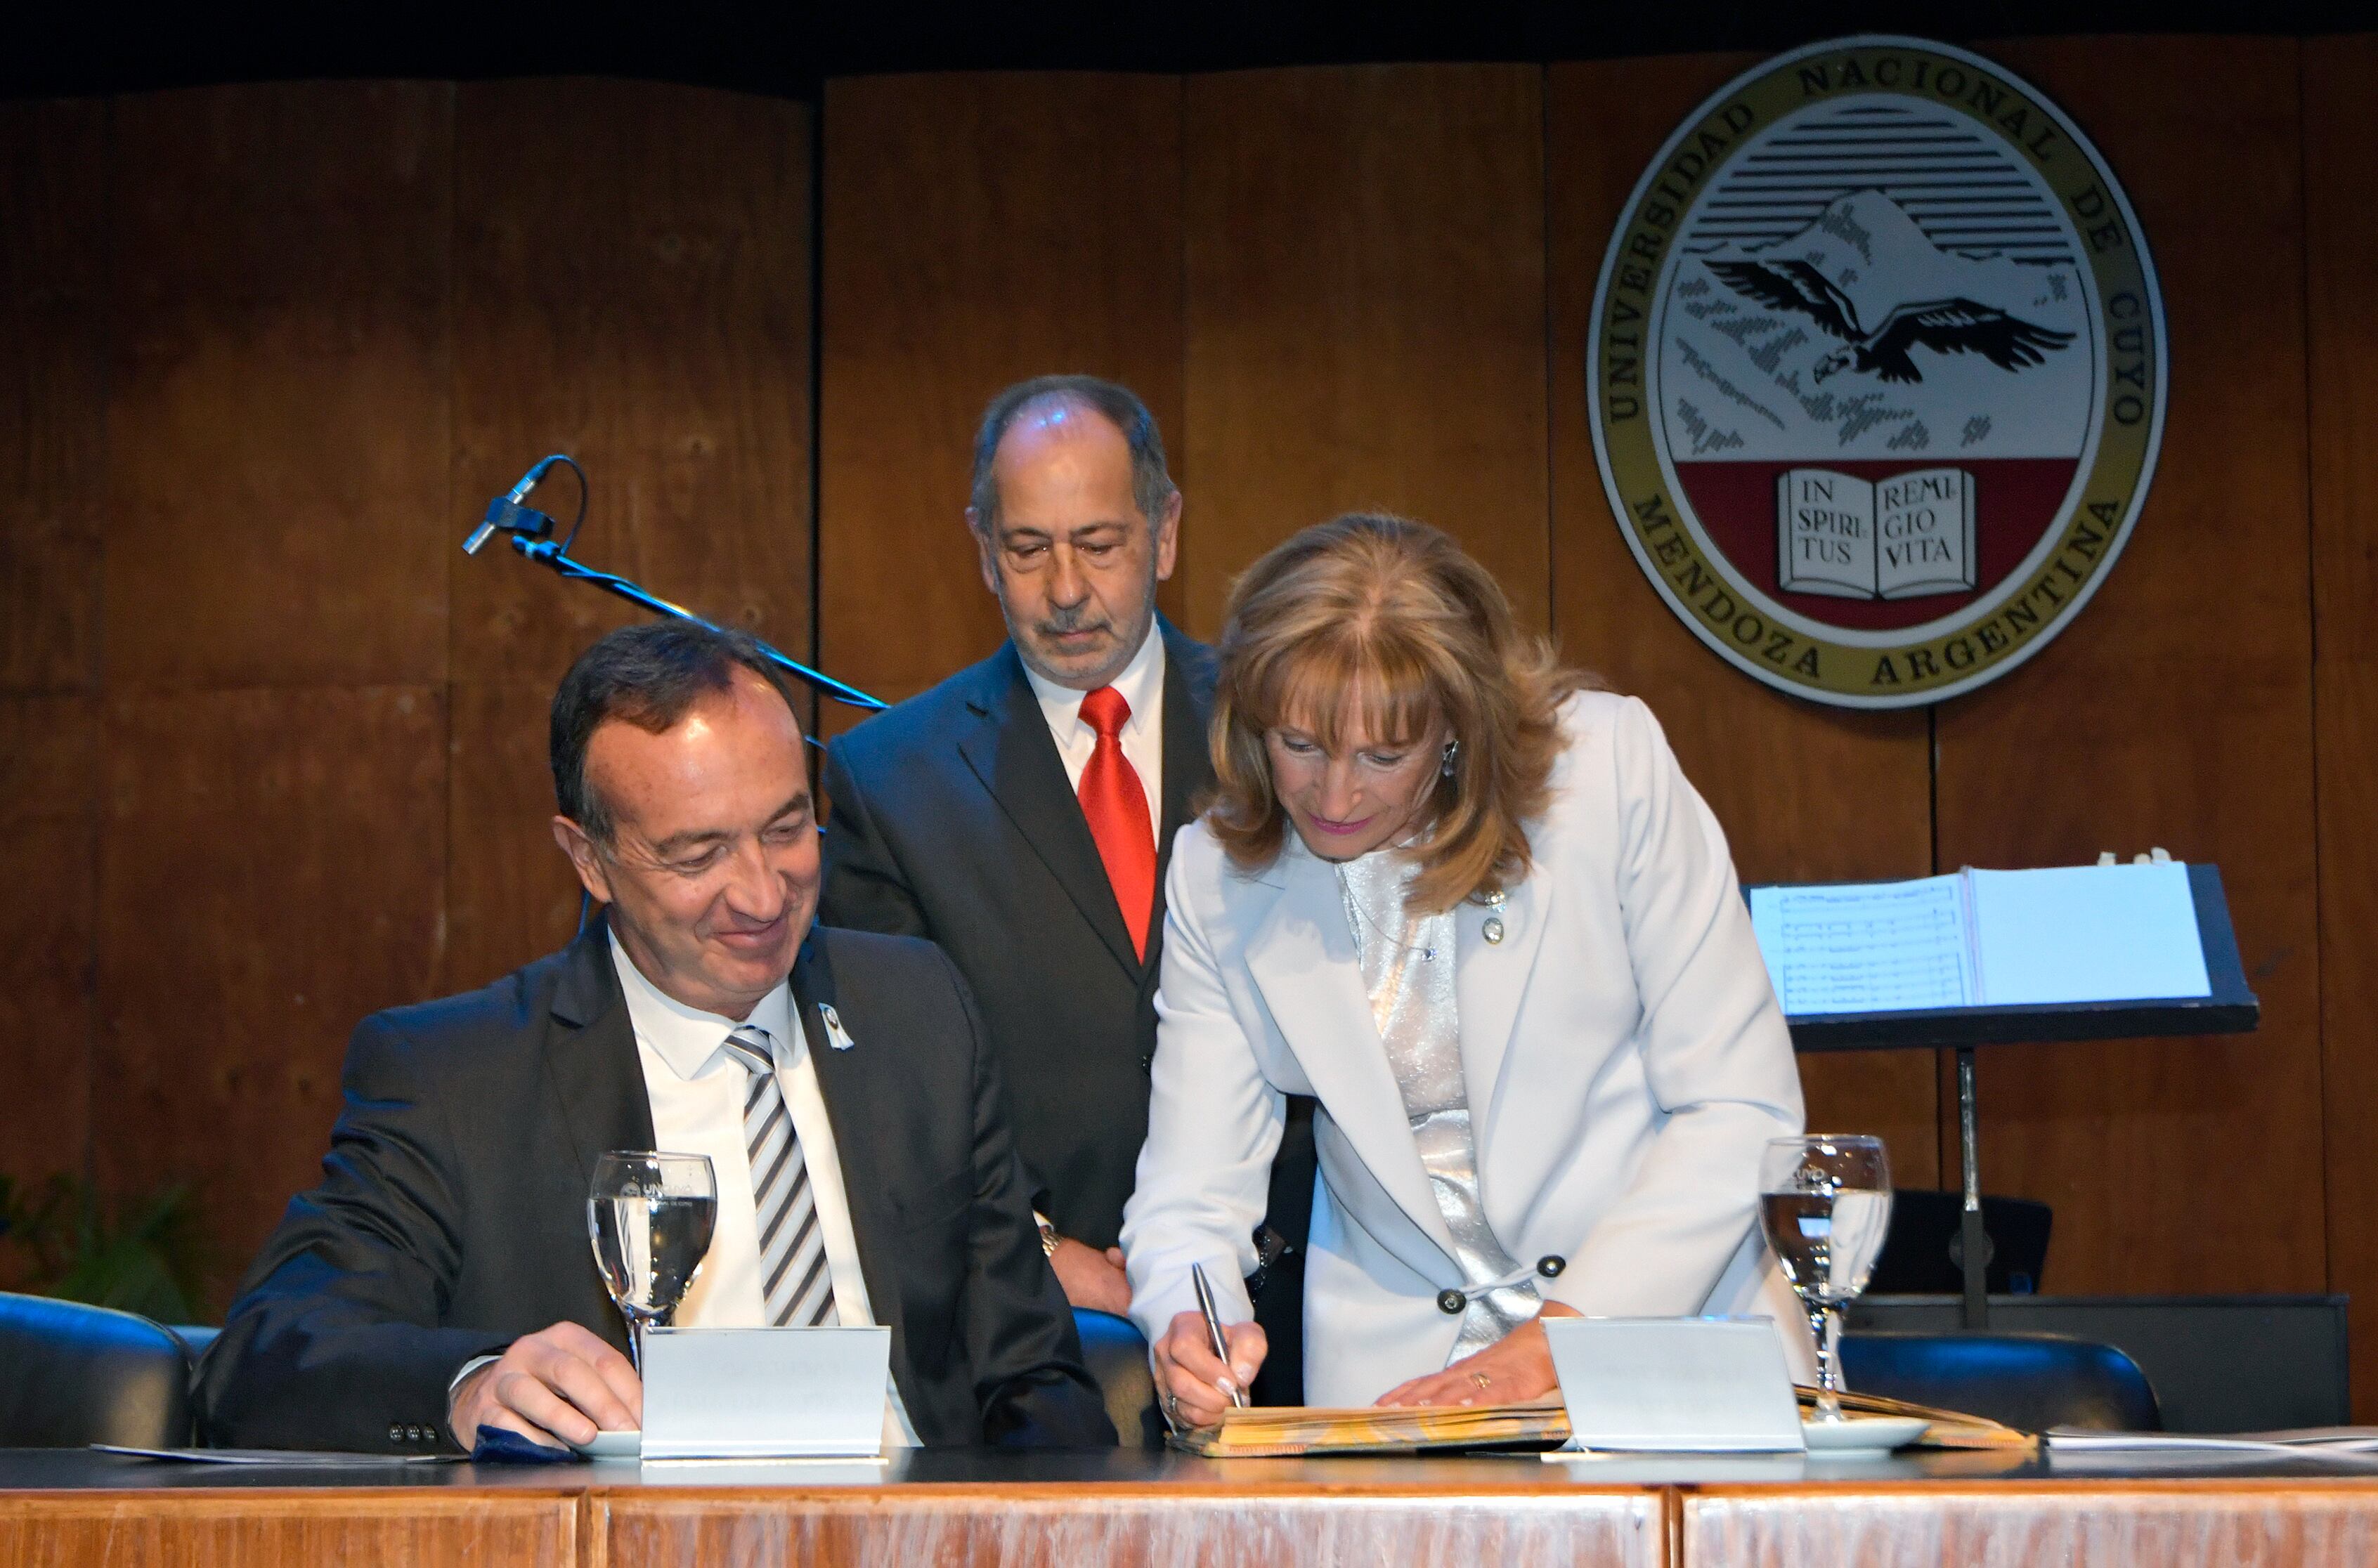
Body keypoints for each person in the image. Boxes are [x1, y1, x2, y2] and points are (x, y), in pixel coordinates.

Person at [197, 621, 1114, 1453]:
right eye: (698, 854)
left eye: (787, 828)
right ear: (588, 859)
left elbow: (1032, 1377)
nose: (762, 895)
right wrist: (477, 1382)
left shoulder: (918, 1014)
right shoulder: (457, 1078)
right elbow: (270, 1355)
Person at [1122, 514, 1814, 1425]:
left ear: (1454, 726)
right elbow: (1190, 1188)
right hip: (1392, 1392)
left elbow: (1739, 1109)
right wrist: (1189, 1316)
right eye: (1300, 744)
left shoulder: (1606, 774)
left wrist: (1555, 1342)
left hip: (1664, 1341)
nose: (1334, 797)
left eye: (1382, 756)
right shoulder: (1218, 873)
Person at [819, 375, 1315, 1399]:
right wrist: (1046, 1251)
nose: (1066, 591)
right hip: (1046, 1336)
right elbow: (889, 1083)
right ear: (981, 547)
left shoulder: (1289, 733)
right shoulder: (891, 779)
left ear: (1166, 531)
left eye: (1099, 543)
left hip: (1310, 1314)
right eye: (1028, 548)